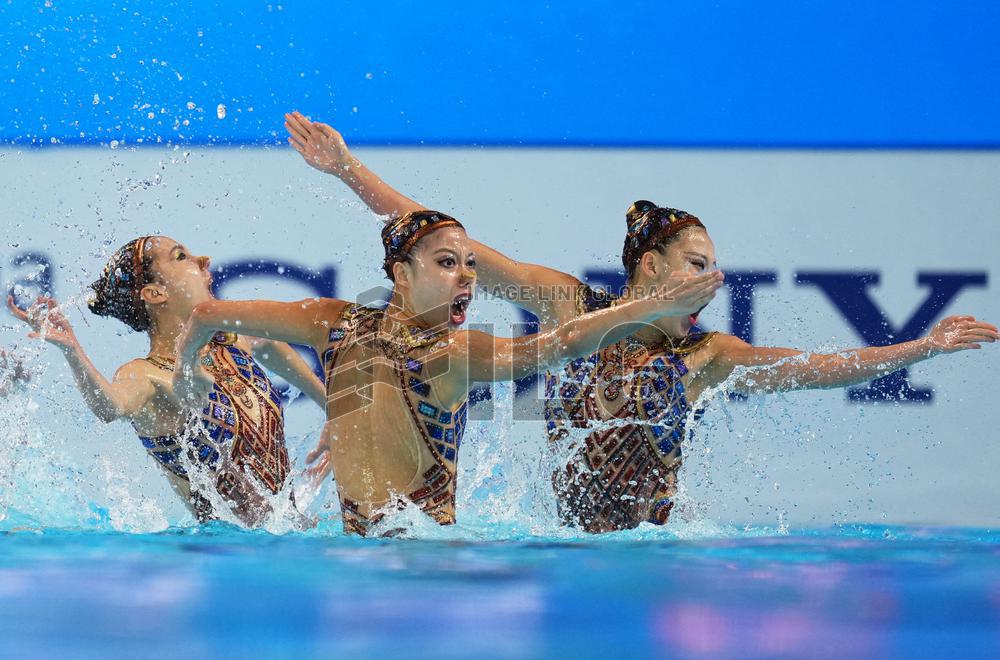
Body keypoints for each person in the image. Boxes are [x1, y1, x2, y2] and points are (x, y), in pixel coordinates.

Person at [282, 112, 999, 533]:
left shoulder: (708, 354)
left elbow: (813, 369)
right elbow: (448, 243)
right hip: (563, 548)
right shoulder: (571, 306)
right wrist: (347, 169)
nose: (710, 278)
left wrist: (920, 347)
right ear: (649, 267)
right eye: (695, 262)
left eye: (713, 265)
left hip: (652, 555)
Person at [176, 206, 723, 535]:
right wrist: (652, 306)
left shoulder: (347, 327)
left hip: (391, 561)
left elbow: (203, 315)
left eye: (470, 266)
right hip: (411, 565)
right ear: (401, 273)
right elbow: (565, 344)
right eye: (446, 263)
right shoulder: (406, 343)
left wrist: (186, 381)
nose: (466, 278)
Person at [8, 236, 329, 527]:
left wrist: (335, 414)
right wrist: (72, 350)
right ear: (155, 293)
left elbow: (271, 344)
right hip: (227, 555)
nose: (203, 259)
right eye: (180, 257)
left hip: (289, 534)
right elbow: (110, 405)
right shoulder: (147, 375)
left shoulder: (235, 339)